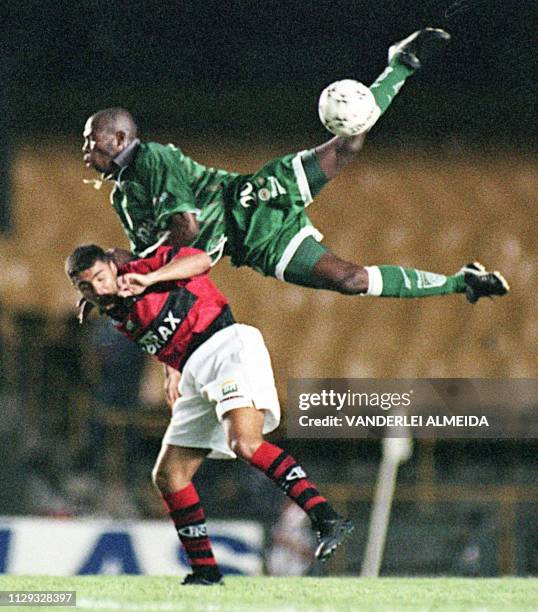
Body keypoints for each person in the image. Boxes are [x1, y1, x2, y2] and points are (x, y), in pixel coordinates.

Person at [81, 28, 508, 304]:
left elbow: (186, 231)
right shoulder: (123, 197)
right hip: (255, 244)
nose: (85, 148)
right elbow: (160, 252)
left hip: (253, 198)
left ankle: (400, 63)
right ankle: (462, 282)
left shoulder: (152, 159)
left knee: (348, 144)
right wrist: (124, 268)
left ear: (119, 139)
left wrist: (140, 268)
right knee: (350, 280)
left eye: (91, 138)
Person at [66, 243, 355, 585]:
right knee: (169, 475)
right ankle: (205, 571)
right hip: (193, 371)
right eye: (87, 286)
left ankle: (326, 517)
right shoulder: (116, 314)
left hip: (225, 345)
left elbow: (202, 259)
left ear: (113, 267)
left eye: (100, 277)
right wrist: (170, 370)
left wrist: (153, 276)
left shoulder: (146, 267)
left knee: (245, 443)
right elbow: (165, 335)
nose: (98, 288)